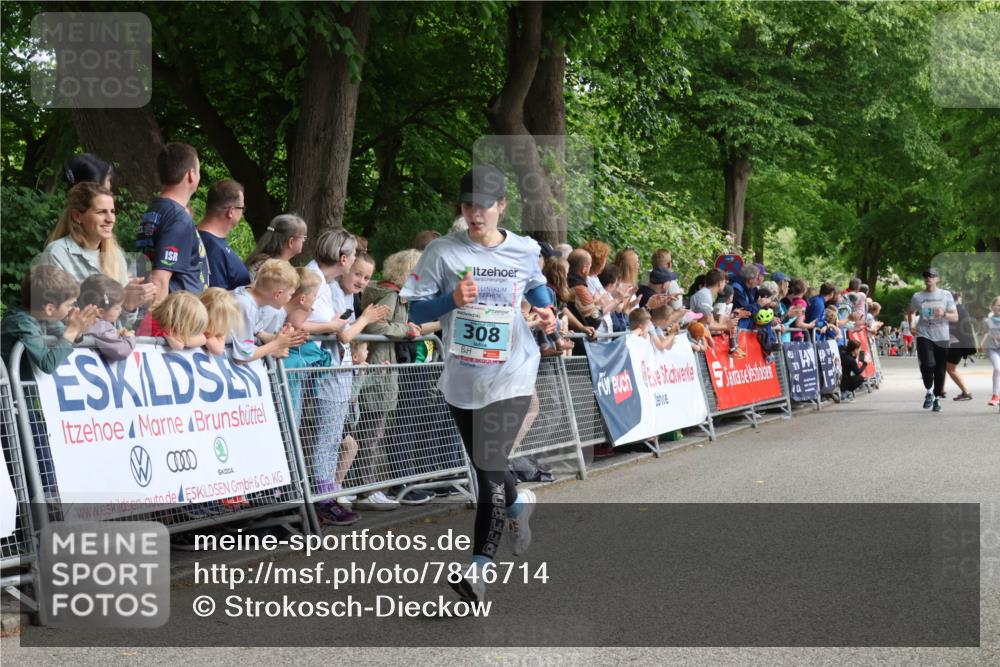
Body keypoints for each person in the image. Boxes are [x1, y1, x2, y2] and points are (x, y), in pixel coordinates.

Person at [400, 164, 555, 603]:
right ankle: (519, 505)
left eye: (484, 206)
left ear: (502, 206)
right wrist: (451, 300)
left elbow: (539, 286)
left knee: (488, 467)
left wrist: (546, 310)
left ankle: (478, 571)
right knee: (487, 468)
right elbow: (412, 312)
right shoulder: (442, 253)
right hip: (464, 376)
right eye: (468, 206)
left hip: (513, 370)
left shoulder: (523, 250)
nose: (475, 214)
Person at [37, 182, 156, 324]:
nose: (110, 219)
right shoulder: (57, 253)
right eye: (101, 212)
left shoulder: (116, 256)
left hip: (107, 344)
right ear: (77, 216)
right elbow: (50, 316)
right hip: (72, 344)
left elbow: (120, 324)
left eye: (112, 211)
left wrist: (129, 305)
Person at [136, 143, 209, 300]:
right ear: (191, 174)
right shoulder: (178, 217)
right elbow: (159, 280)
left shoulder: (155, 210)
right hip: (176, 317)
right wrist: (160, 324)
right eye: (199, 171)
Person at [1, 266, 97, 375]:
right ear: (50, 309)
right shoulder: (22, 323)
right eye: (69, 305)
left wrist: (77, 332)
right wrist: (72, 331)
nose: (73, 308)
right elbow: (48, 364)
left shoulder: (42, 315)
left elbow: (65, 342)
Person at [230, 259, 307, 363]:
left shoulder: (249, 295)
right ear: (278, 294)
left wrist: (283, 339)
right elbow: (242, 357)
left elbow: (257, 332)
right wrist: (274, 346)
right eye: (290, 294)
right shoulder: (246, 306)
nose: (290, 298)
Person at [907, 268, 958, 412]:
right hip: (924, 334)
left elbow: (955, 317)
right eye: (926, 275)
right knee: (928, 365)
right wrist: (912, 324)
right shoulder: (918, 296)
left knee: (940, 369)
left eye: (931, 276)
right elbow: (911, 311)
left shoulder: (946, 295)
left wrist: (943, 314)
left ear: (937, 279)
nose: (928, 278)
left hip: (942, 336)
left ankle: (936, 398)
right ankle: (929, 391)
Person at [198, 180, 251, 290]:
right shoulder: (212, 249)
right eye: (242, 208)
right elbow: (216, 300)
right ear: (231, 211)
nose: (242, 213)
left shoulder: (205, 239)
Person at [77, 274, 136, 361]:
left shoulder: (83, 322)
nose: (120, 310)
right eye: (117, 308)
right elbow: (121, 350)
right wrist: (129, 338)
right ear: (100, 312)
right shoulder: (101, 327)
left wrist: (115, 334)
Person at [245, 213, 309, 279]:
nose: (303, 241)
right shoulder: (269, 270)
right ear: (291, 242)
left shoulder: (276, 263)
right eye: (303, 237)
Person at [144, 291, 209, 350]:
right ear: (181, 322)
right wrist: (184, 339)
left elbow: (203, 339)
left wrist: (182, 339)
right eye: (191, 328)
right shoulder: (156, 324)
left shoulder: (166, 324)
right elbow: (179, 346)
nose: (190, 333)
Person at [945, 291, 976, 401]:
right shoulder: (960, 308)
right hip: (958, 343)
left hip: (957, 343)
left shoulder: (955, 310)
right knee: (945, 365)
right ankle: (941, 390)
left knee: (950, 369)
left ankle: (966, 391)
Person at [199, 288, 242, 357]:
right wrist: (204, 338)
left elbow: (218, 349)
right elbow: (218, 350)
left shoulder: (221, 330)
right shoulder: (194, 320)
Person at [980, 295, 1000, 407]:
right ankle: (995, 395)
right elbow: (985, 332)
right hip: (992, 349)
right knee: (997, 368)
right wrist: (981, 343)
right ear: (992, 307)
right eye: (998, 305)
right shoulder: (987, 321)